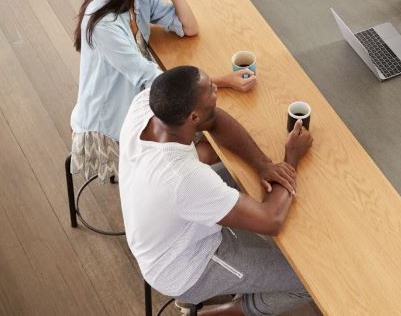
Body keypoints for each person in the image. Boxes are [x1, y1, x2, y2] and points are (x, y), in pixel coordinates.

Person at [119, 66, 313, 316]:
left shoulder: (148, 104)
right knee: (307, 280)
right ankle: (220, 312)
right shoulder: (182, 177)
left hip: (172, 223)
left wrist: (263, 165)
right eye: (210, 89)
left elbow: (215, 119)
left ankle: (249, 278)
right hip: (185, 265)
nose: (215, 87)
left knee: (241, 177)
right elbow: (270, 221)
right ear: (193, 118)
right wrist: (291, 159)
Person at [70, 0, 255, 181]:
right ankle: (161, 189)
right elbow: (153, 79)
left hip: (139, 100)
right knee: (207, 144)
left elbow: (189, 27)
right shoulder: (104, 22)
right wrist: (223, 81)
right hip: (111, 125)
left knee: (212, 134)